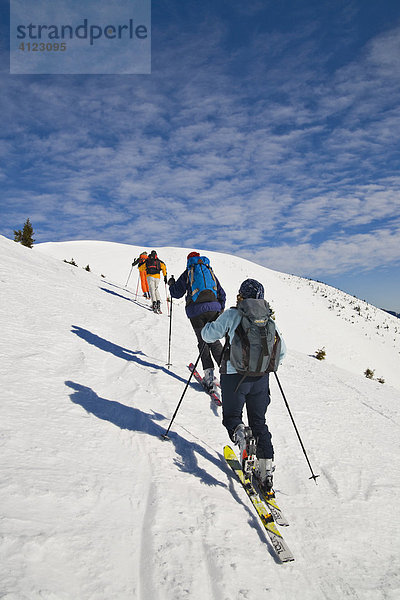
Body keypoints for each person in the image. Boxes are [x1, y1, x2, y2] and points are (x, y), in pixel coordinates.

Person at [201, 278, 286, 493]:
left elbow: (208, 335)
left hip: (233, 377)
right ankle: (265, 472)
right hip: (261, 378)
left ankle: (241, 436)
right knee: (259, 422)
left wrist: (209, 325)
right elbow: (281, 351)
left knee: (232, 418)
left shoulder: (233, 314)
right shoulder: (268, 319)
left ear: (241, 295)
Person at [168, 252, 226, 393]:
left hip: (196, 312)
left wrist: (171, 285)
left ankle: (209, 377)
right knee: (214, 341)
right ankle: (227, 374)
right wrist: (220, 308)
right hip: (214, 309)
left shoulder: (189, 272)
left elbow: (176, 293)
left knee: (203, 342)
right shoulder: (209, 271)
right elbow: (222, 293)